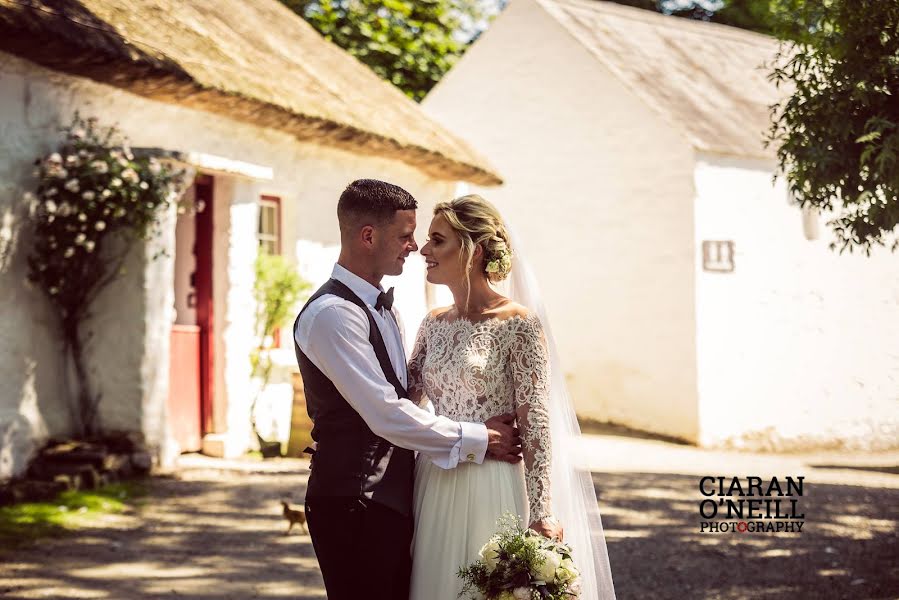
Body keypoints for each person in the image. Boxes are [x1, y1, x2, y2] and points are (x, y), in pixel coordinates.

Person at [292, 180, 521, 600]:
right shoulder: (332, 316)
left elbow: (410, 391)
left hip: (395, 500)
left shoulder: (386, 309)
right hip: (353, 501)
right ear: (368, 236)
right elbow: (386, 413)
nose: (414, 247)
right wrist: (479, 438)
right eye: (405, 235)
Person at [408, 194, 616, 600]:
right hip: (434, 480)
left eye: (437, 240)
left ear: (474, 250)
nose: (424, 249)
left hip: (493, 485)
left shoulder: (518, 325)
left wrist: (542, 512)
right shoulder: (432, 323)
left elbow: (536, 422)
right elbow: (403, 404)